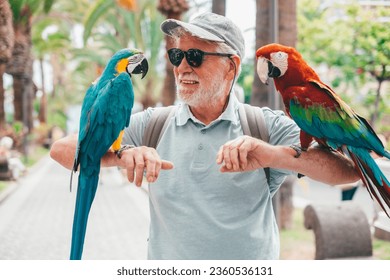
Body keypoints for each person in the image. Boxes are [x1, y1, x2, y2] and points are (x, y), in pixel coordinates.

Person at [50, 12, 359, 260]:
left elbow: (349, 170)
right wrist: (121, 155)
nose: (182, 67)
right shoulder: (151, 125)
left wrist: (270, 155)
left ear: (231, 67)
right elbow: (61, 150)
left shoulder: (265, 127)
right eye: (176, 56)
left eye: (195, 56)